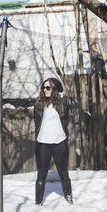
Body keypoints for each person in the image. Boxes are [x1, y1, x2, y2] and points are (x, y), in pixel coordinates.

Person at [34, 77, 73, 205]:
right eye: (44, 88)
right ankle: (38, 202)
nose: (45, 90)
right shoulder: (39, 105)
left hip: (59, 142)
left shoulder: (63, 103)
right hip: (43, 143)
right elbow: (37, 123)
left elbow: (65, 121)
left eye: (48, 87)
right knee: (41, 175)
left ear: (54, 89)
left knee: (63, 173)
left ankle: (69, 198)